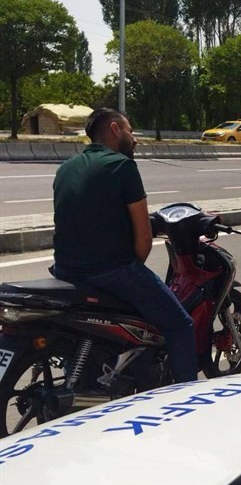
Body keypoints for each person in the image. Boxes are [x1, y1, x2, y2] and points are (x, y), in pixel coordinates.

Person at [52, 108, 197, 382]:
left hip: (65, 270)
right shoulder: (123, 166)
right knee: (180, 325)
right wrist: (133, 274)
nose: (135, 138)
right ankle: (189, 394)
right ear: (116, 129)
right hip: (109, 272)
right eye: (131, 131)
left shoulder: (65, 168)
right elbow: (143, 237)